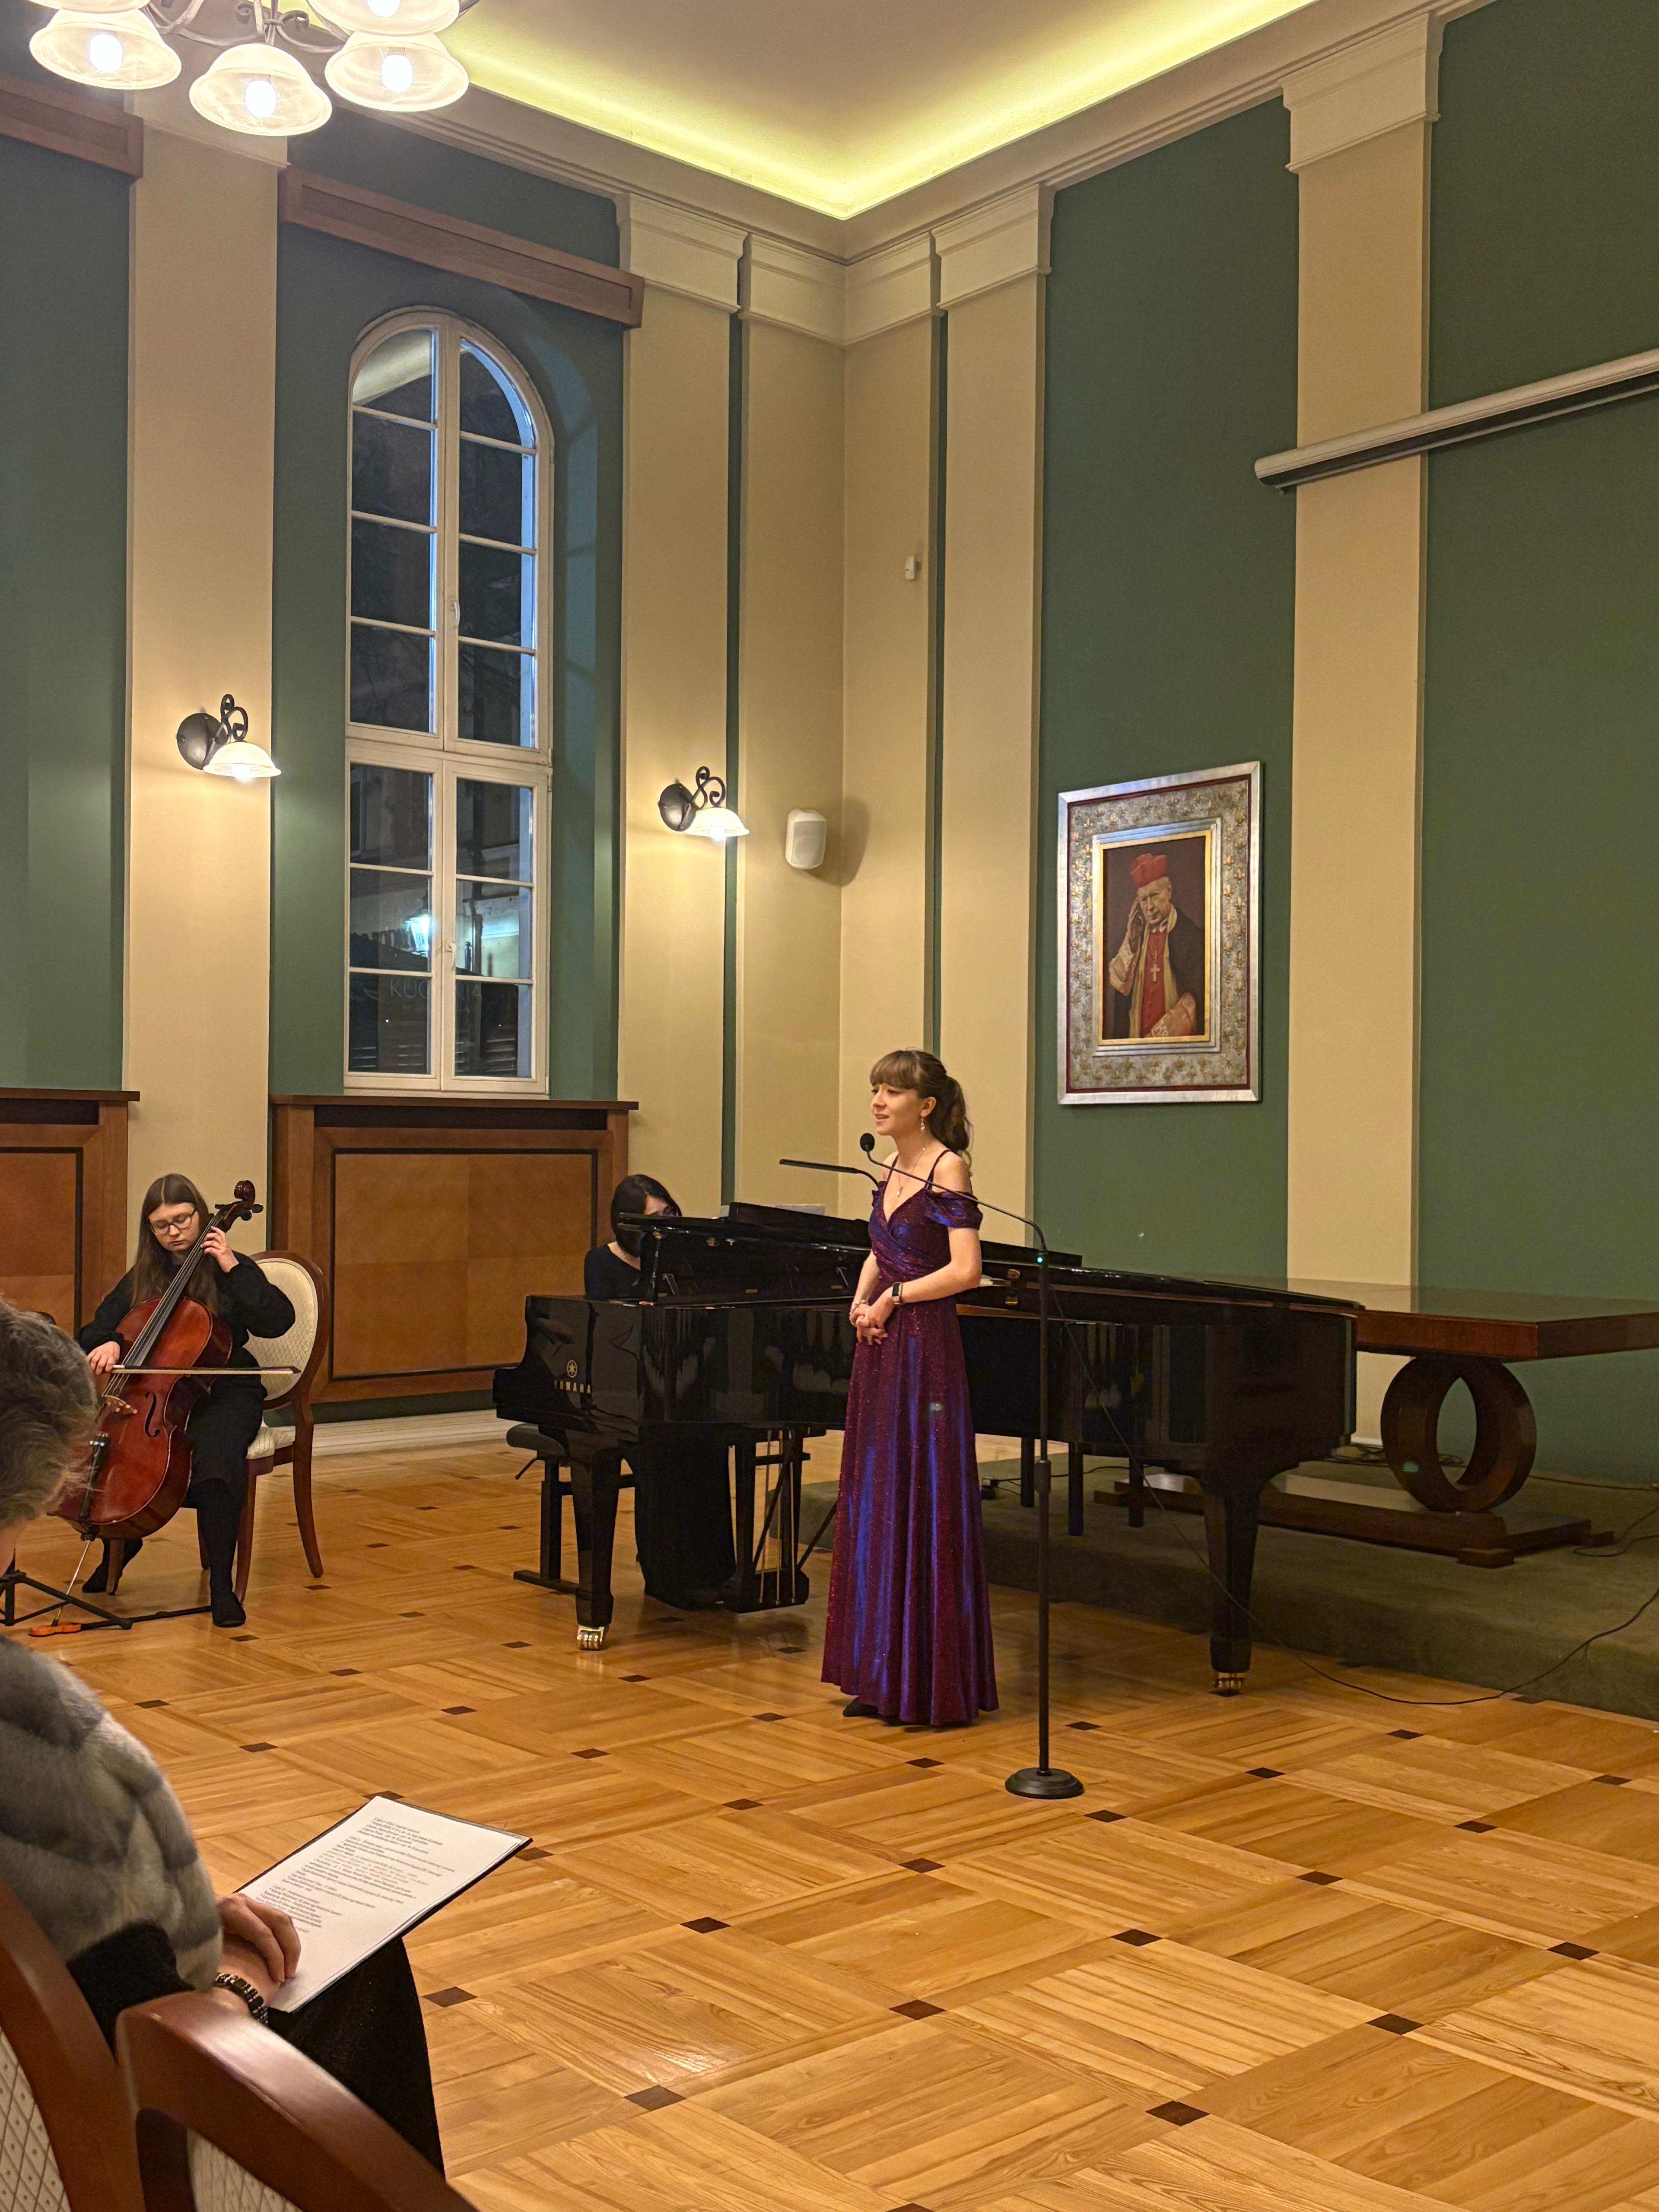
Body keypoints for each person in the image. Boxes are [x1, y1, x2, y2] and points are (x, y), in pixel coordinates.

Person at [0, 1299, 444, 2167]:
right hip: (96, 2152)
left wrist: (167, 1918)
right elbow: (146, 2055)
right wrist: (237, 1975)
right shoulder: (45, 1755)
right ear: (47, 1478)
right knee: (358, 1968)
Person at [822, 1049, 998, 1726]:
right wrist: (861, 1298)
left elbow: (965, 1271)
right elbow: (883, 1247)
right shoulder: (891, 1167)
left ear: (925, 1105)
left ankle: (926, 1682)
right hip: (883, 1347)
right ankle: (879, 1673)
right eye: (876, 1089)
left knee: (920, 1495)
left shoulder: (948, 1166)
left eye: (892, 1091)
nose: (878, 1101)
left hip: (925, 1349)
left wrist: (893, 1299)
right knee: (879, 1496)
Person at [77, 1173, 296, 1629]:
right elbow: (95, 1329)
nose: (174, 1231)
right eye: (162, 1225)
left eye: (182, 1219)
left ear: (200, 1214)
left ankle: (221, 1586)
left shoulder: (230, 1267)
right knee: (118, 1454)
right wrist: (109, 1342)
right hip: (156, 1395)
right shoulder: (143, 1277)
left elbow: (278, 1320)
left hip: (224, 1390)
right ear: (150, 1230)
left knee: (216, 1462)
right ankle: (122, 1540)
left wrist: (232, 1266)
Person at [585, 1175, 736, 1608]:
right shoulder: (602, 1262)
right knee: (662, 1451)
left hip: (682, 1384)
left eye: (669, 1214)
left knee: (710, 1441)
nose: (664, 1227)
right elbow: (607, 1332)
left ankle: (715, 1570)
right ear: (627, 1222)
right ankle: (667, 1575)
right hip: (627, 1392)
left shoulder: (682, 1262)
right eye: (653, 1219)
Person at [1107, 850, 1205, 1040]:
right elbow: (1120, 987)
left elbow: (1198, 998)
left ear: (1169, 891)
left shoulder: (1190, 936)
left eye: (1154, 895)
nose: (1149, 906)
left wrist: (1158, 1036)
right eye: (1143, 900)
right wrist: (1132, 941)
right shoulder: (1137, 936)